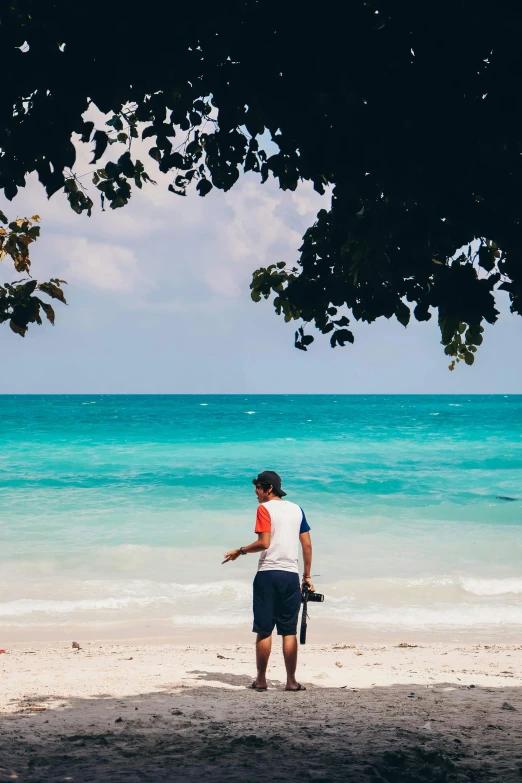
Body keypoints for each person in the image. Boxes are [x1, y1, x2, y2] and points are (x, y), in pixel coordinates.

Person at [222, 470, 314, 692]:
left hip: (268, 574)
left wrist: (240, 551)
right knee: (288, 631)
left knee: (264, 629)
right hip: (290, 575)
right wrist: (307, 576)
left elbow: (263, 543)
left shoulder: (263, 508)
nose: (256, 491)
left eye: (258, 487)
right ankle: (291, 682)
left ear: (269, 488)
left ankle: (261, 680)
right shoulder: (296, 509)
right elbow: (307, 545)